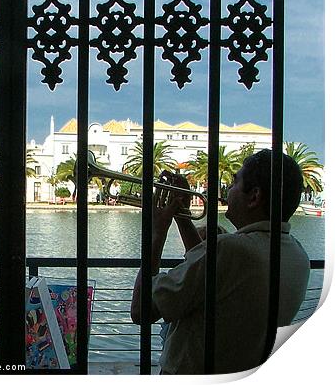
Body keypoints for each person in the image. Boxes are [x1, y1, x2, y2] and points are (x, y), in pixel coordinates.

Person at [131, 149, 310, 374]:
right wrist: (183, 216)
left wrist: (155, 234)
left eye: (235, 182)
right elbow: (208, 274)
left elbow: (141, 310)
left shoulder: (231, 249)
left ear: (254, 196)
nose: (227, 190)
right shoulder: (298, 256)